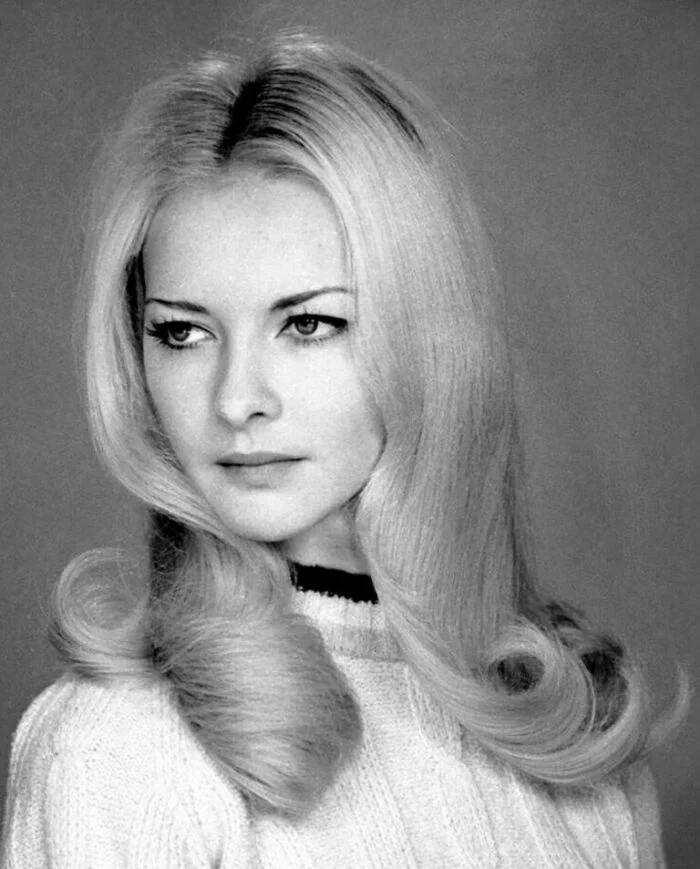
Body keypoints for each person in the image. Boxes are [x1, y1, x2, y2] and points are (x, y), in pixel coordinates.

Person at [1, 30, 688, 868]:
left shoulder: (568, 731)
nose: (236, 400)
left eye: (308, 324)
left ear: (427, 337)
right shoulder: (114, 752)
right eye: (182, 332)